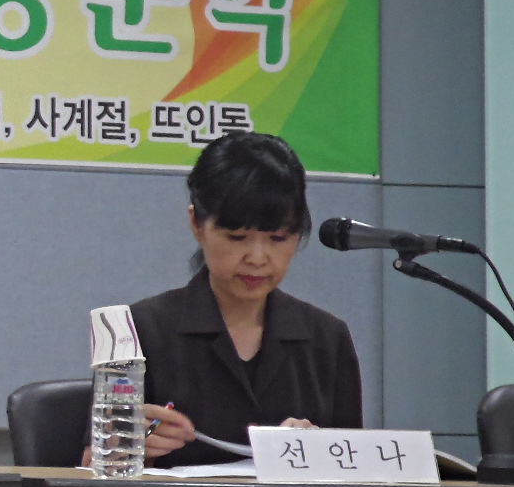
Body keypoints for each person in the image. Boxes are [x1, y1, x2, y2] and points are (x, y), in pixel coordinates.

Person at [132, 131, 362, 467]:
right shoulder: (143, 328)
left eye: (278, 238)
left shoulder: (327, 338)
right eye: (237, 237)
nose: (257, 258)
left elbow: (354, 474)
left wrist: (320, 450)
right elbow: (93, 464)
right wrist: (130, 444)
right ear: (197, 223)